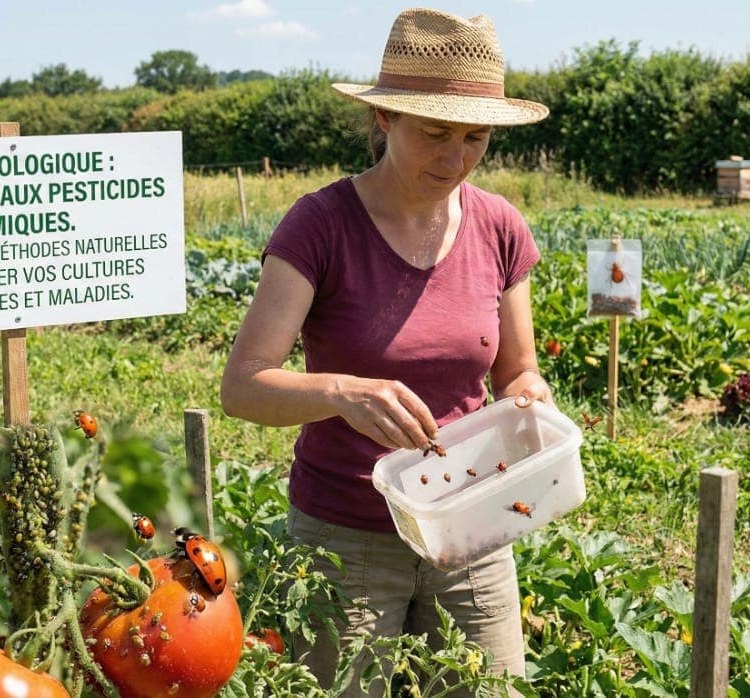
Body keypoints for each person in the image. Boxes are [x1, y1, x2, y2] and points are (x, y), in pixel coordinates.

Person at [220, 7, 551, 696]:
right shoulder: (321, 225)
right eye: (435, 133)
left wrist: (528, 399)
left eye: (475, 137)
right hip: (346, 536)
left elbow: (517, 367)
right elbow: (244, 386)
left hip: (472, 524)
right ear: (384, 120)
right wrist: (344, 393)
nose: (455, 157)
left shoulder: (499, 227)